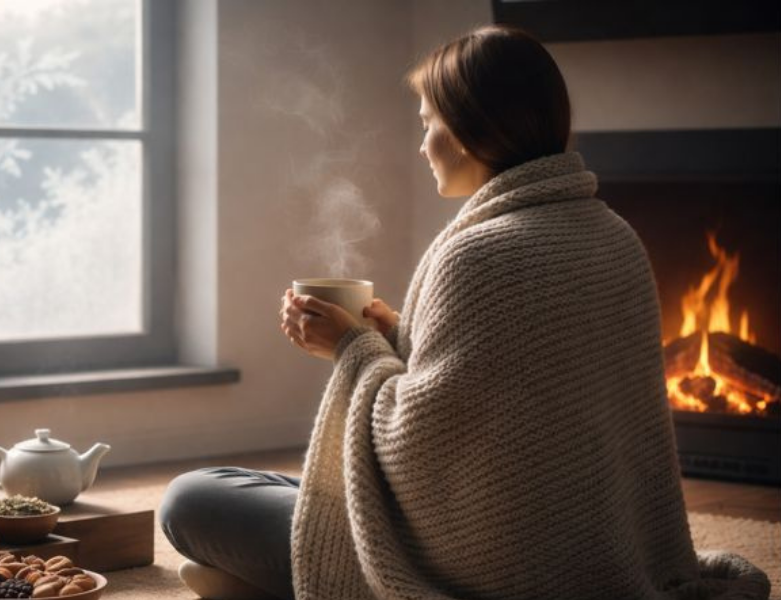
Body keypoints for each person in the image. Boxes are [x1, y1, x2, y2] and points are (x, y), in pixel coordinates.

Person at [159, 24, 770, 600]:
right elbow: (514, 400)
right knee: (306, 493)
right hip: (597, 549)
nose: (421, 144)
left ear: (473, 129)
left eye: (428, 123)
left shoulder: (478, 253)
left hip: (491, 566)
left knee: (193, 499)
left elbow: (417, 449)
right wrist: (397, 334)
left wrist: (351, 348)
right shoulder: (614, 236)